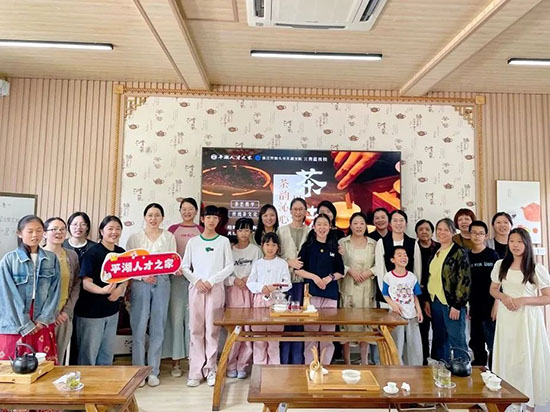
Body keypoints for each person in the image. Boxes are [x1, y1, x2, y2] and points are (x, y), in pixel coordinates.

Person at [490, 228, 550, 411]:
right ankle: (513, 402)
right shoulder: (500, 265)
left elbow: (547, 297)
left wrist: (523, 300)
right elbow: (493, 289)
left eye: (519, 241)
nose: (515, 245)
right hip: (507, 317)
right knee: (510, 358)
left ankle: (530, 403)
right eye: (511, 241)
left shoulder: (535, 268)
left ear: (527, 244)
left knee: (527, 357)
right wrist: (503, 297)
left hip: (527, 319)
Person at [182, 205, 234, 387]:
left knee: (212, 329)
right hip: (196, 289)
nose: (212, 220)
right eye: (208, 217)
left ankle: (211, 369)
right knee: (195, 329)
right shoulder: (193, 242)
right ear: (202, 219)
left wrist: (211, 281)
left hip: (215, 288)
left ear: (219, 220)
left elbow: (229, 266)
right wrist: (196, 281)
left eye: (215, 217)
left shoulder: (223, 242)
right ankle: (195, 372)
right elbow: (184, 266)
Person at [126, 203, 176, 387]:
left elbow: (172, 261)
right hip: (140, 283)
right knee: (139, 327)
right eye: (150, 215)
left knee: (158, 327)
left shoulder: (169, 236)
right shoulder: (134, 237)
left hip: (162, 282)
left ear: (162, 218)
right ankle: (138, 372)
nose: (153, 218)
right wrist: (142, 276)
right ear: (144, 217)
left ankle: (154, 371)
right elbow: (127, 265)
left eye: (157, 215)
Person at [0, 215, 60, 363]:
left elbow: (55, 291)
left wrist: (43, 319)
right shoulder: (9, 260)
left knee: (43, 365)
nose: (35, 235)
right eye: (30, 231)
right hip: (16, 319)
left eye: (39, 230)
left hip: (41, 317)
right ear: (19, 233)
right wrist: (25, 323)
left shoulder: (51, 259)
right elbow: (7, 295)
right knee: (13, 364)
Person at [74, 215, 128, 366]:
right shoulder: (92, 253)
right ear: (101, 231)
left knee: (107, 353)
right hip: (91, 313)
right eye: (110, 228)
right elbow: (86, 284)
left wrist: (120, 288)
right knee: (88, 354)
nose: (114, 232)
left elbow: (126, 278)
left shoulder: (121, 252)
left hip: (112, 311)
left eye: (118, 229)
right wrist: (103, 291)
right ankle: (86, 381)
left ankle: (104, 380)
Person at [296, 214, 345, 365]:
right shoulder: (308, 246)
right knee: (311, 334)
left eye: (325, 224)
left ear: (330, 227)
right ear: (314, 227)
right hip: (311, 295)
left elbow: (341, 272)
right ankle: (310, 366)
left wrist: (329, 278)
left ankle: (325, 366)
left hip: (330, 295)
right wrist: (315, 278)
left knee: (327, 335)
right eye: (319, 224)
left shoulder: (334, 246)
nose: (322, 227)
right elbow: (298, 270)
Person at [163, 197, 203, 377]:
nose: (187, 212)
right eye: (184, 209)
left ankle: (195, 361)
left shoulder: (201, 230)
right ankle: (176, 362)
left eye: (190, 209)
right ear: (180, 211)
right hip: (177, 280)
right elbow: (167, 255)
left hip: (196, 280)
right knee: (176, 319)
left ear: (196, 211)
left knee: (194, 320)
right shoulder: (172, 230)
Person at [424, 218, 471, 362]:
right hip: (435, 301)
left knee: (457, 339)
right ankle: (441, 369)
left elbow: (464, 280)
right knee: (439, 338)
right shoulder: (435, 251)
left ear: (453, 233)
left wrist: (457, 305)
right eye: (439, 229)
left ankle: (462, 368)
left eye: (446, 230)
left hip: (452, 303)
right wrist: (427, 300)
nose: (442, 232)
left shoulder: (459, 252)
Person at [225, 217, 262, 378]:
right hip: (233, 291)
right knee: (235, 329)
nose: (244, 233)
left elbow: (261, 271)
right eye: (241, 230)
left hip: (250, 292)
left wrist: (249, 279)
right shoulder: (229, 250)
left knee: (248, 329)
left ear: (251, 232)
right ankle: (230, 364)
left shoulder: (256, 250)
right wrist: (234, 280)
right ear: (236, 231)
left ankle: (243, 365)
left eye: (247, 230)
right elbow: (223, 273)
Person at [338, 212, 376, 364]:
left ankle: (364, 361)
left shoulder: (373, 243)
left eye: (362, 223)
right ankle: (347, 361)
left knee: (365, 324)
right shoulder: (343, 242)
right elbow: (336, 262)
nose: (359, 226)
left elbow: (380, 264)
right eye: (355, 223)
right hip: (348, 286)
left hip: (367, 288)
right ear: (350, 225)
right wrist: (349, 270)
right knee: (346, 324)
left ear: (366, 226)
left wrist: (369, 272)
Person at [247, 232, 290, 365]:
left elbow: (288, 283)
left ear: (278, 247)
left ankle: (274, 370)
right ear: (262, 246)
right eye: (267, 244)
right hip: (260, 301)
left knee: (274, 339)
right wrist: (262, 288)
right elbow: (250, 282)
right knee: (259, 339)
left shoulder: (282, 263)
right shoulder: (257, 263)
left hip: (277, 302)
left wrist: (275, 287)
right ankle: (259, 369)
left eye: (273, 245)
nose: (270, 248)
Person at [43, 217, 80, 364]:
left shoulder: (71, 255)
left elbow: (76, 284)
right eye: (54, 229)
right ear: (45, 233)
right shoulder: (38, 255)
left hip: (64, 316)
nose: (59, 232)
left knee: (60, 356)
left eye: (62, 229)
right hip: (42, 318)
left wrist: (66, 312)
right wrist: (54, 313)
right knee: (43, 358)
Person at [277, 197, 310, 364]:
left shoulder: (310, 232)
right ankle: (283, 361)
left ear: (306, 212)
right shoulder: (281, 231)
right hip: (284, 282)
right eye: (295, 209)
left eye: (301, 209)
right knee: (284, 320)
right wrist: (289, 262)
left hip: (304, 283)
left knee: (300, 321)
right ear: (290, 211)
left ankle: (298, 361)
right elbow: (274, 255)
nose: (298, 212)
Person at [382, 246, 423, 365]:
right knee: (397, 343)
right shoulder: (388, 276)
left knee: (414, 343)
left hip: (411, 314)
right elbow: (385, 294)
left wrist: (419, 311)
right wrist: (393, 305)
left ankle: (415, 368)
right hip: (396, 316)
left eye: (405, 255)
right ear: (392, 260)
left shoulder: (412, 277)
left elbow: (415, 296)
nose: (403, 257)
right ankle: (396, 367)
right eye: (399, 255)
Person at [467, 220, 499, 368]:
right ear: (469, 235)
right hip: (474, 307)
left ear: (486, 236)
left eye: (481, 233)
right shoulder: (467, 256)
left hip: (491, 306)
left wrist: (497, 304)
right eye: (474, 233)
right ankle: (479, 372)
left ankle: (495, 372)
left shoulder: (492, 255)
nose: (477, 236)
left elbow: (500, 281)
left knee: (493, 343)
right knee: (476, 342)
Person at [375, 210, 421, 306]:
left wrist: (413, 292)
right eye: (395, 220)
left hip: (408, 295)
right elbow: (380, 270)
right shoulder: (382, 242)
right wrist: (386, 294)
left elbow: (417, 269)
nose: (398, 223)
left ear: (406, 223)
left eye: (401, 220)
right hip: (387, 296)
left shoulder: (413, 243)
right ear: (390, 223)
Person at [415, 219, 439, 365]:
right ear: (416, 233)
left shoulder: (439, 248)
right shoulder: (414, 248)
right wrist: (424, 300)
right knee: (422, 329)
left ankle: (438, 359)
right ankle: (423, 359)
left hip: (437, 294)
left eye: (427, 229)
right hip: (419, 295)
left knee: (439, 329)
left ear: (432, 232)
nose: (424, 232)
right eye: (421, 229)